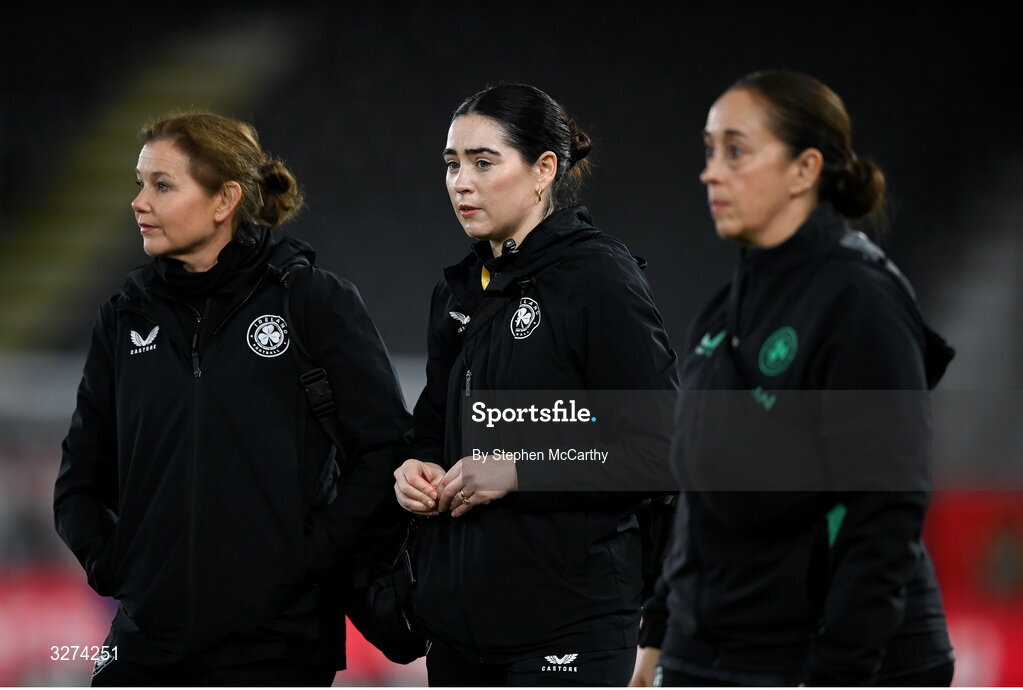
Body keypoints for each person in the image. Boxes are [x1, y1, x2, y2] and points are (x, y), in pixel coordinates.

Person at [54, 112, 412, 686]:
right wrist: (117, 566)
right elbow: (79, 482)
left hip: (277, 649)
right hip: (145, 645)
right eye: (138, 183)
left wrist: (306, 561)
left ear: (225, 200)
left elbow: (387, 454)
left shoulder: (314, 303)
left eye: (162, 185)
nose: (138, 202)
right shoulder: (124, 317)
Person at [630, 70, 956, 687]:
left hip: (826, 661)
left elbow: (883, 515)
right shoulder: (722, 311)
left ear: (805, 170)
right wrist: (659, 632)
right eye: (708, 150)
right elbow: (699, 496)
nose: (711, 171)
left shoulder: (861, 300)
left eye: (735, 150)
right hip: (718, 656)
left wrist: (837, 675)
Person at [392, 83, 680, 686]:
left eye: (483, 162)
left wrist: (520, 470)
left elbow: (658, 453)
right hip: (461, 629)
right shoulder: (458, 291)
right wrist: (415, 466)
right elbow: (435, 423)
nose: (460, 182)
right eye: (452, 164)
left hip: (568, 624)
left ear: (544, 169)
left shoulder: (600, 280)